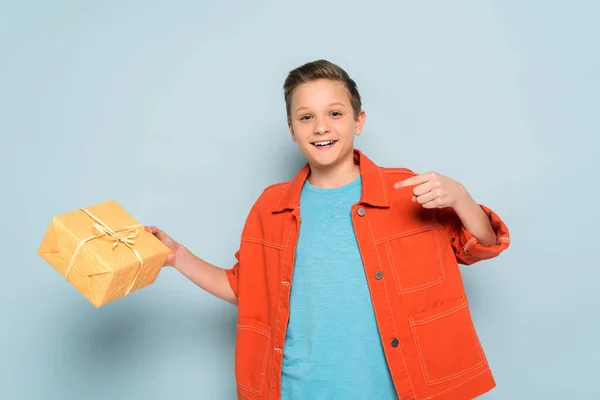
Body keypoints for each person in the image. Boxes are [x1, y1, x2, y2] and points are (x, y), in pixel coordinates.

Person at [145, 59, 511, 400]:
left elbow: (482, 244)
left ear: (359, 121)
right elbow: (250, 290)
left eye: (335, 113)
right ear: (292, 130)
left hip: (397, 388)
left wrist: (462, 198)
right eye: (306, 117)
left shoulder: (408, 190)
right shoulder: (270, 207)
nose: (321, 127)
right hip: (298, 387)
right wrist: (177, 256)